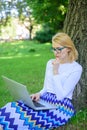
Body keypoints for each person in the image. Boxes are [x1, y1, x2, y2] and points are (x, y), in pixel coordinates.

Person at [0, 32, 82, 130]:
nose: (56, 52)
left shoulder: (76, 68)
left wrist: (56, 71)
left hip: (61, 106)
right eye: (54, 49)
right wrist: (39, 94)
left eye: (59, 49)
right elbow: (46, 88)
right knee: (12, 107)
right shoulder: (50, 63)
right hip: (45, 99)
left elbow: (61, 96)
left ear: (69, 49)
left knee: (26, 118)